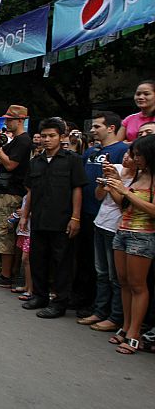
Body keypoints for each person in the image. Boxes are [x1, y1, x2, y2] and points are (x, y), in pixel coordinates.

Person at [19, 118, 87, 318]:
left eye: (52, 136)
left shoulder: (72, 160)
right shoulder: (35, 162)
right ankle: (39, 296)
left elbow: (77, 189)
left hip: (62, 220)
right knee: (38, 258)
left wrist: (75, 217)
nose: (47, 140)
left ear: (61, 137)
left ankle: (59, 302)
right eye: (45, 136)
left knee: (62, 262)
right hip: (39, 218)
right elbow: (30, 191)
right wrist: (25, 216)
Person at [103, 134, 155, 353]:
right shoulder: (138, 176)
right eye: (135, 154)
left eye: (140, 155)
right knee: (123, 282)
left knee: (137, 285)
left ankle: (134, 333)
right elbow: (125, 207)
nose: (136, 159)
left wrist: (125, 192)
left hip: (142, 235)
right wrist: (114, 187)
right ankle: (125, 327)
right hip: (122, 231)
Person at [75, 113, 128, 317]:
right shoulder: (90, 151)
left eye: (97, 126)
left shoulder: (121, 151)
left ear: (111, 128)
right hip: (89, 213)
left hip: (111, 217)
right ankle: (88, 301)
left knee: (110, 270)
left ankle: (108, 311)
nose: (93, 130)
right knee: (89, 262)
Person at [82, 150, 134, 333]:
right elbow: (99, 196)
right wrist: (103, 183)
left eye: (133, 155)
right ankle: (100, 311)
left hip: (117, 228)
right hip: (101, 223)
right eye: (127, 153)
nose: (127, 157)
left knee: (116, 277)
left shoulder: (139, 179)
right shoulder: (116, 168)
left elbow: (124, 205)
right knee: (101, 273)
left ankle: (115, 317)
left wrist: (116, 185)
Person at [0, 106, 33, 287]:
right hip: (5, 191)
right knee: (2, 234)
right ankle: (7, 272)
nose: (7, 122)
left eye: (10, 119)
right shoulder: (14, 141)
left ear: (20, 120)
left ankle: (6, 275)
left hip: (13, 193)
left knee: (5, 234)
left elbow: (10, 164)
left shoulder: (24, 141)